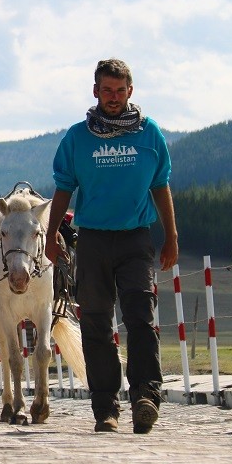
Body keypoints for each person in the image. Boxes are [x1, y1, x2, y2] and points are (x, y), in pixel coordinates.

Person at [45, 58, 178, 435]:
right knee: (96, 324)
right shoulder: (77, 137)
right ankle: (106, 408)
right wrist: (54, 233)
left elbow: (161, 186)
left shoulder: (150, 134)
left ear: (130, 91)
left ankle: (145, 397)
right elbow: (64, 188)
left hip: (136, 239)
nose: (114, 97)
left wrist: (172, 237)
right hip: (93, 241)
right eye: (107, 90)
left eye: (120, 91)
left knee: (140, 317)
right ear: (96, 92)